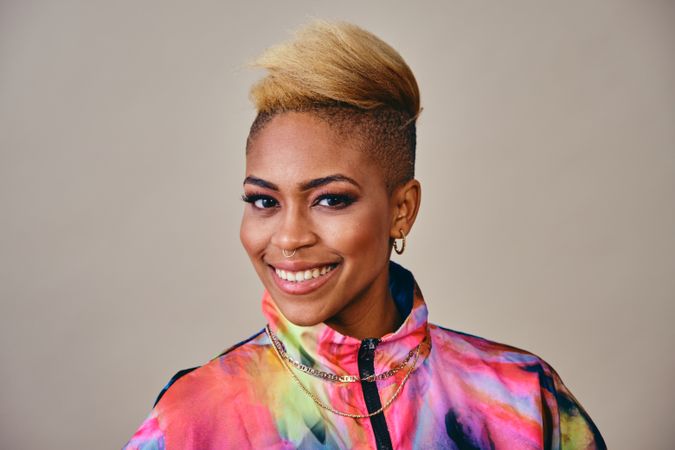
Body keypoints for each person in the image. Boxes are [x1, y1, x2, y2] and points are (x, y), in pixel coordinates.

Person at [124, 21, 606, 449]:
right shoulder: (195, 417)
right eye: (264, 201)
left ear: (402, 209)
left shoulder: (521, 398)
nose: (289, 238)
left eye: (331, 199)